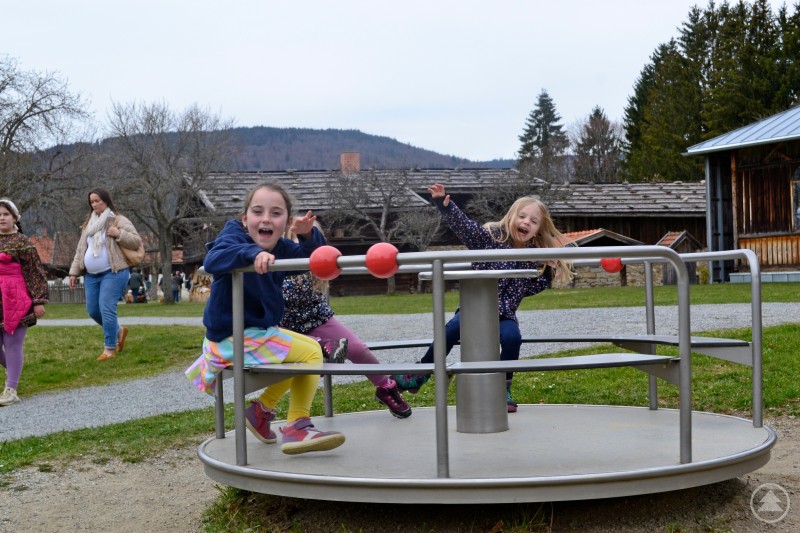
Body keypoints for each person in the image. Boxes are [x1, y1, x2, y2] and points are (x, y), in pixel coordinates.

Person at [185, 182, 345, 455]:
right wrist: (253, 254)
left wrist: (308, 236)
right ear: (245, 218)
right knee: (310, 355)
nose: (266, 219)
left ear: (285, 223)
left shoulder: (281, 247)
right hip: (231, 337)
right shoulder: (234, 236)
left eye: (276, 213)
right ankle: (297, 426)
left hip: (254, 333)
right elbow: (213, 259)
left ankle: (259, 412)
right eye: (258, 212)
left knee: (308, 349)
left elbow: (312, 258)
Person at [393, 183, 573, 412]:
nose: (527, 222)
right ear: (511, 217)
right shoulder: (490, 239)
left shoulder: (530, 255)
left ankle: (502, 387)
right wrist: (445, 206)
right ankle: (420, 373)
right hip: (475, 309)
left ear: (538, 230)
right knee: (449, 331)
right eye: (523, 216)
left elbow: (527, 288)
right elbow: (466, 228)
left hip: (504, 315)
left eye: (534, 221)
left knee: (513, 338)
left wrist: (548, 272)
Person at [280, 225, 412, 419]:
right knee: (309, 360)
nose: (300, 245)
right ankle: (268, 409)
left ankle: (385, 386)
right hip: (288, 327)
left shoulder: (317, 264)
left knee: (357, 349)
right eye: (295, 240)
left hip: (318, 319)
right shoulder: (279, 265)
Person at [69, 188, 142, 362]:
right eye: (92, 202)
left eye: (97, 201)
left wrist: (119, 234)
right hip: (92, 276)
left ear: (106, 201)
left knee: (107, 308)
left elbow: (136, 241)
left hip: (114, 272)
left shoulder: (118, 220)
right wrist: (73, 272)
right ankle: (118, 331)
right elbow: (80, 250)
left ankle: (109, 349)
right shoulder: (88, 225)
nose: (94, 204)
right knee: (93, 310)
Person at [0, 198, 48, 406]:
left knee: (12, 344)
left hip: (15, 296)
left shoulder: (23, 242)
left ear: (15, 218)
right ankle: (14, 370)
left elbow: (34, 273)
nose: (1, 218)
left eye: (5, 214)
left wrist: (37, 300)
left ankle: (11, 388)